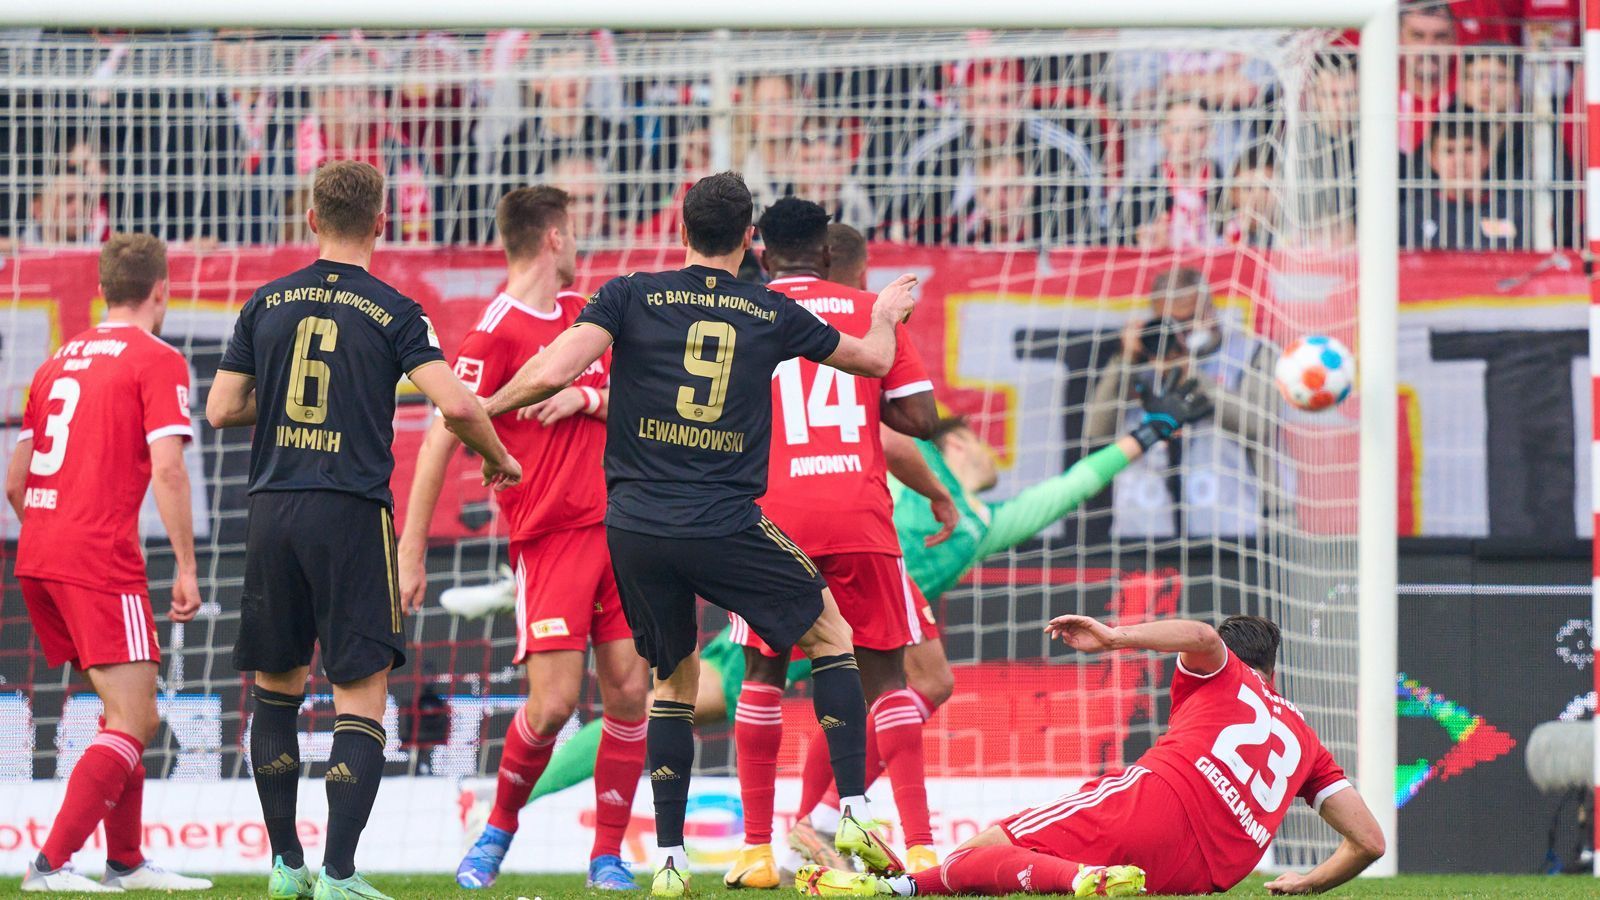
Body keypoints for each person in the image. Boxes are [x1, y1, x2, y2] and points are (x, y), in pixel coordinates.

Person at [478, 171, 917, 897]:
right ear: (750, 240)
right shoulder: (766, 308)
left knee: (671, 682)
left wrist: (486, 406)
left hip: (636, 528)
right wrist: (888, 312)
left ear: (679, 232)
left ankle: (673, 860)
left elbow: (557, 368)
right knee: (832, 633)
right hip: (724, 519)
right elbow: (872, 360)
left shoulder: (628, 293)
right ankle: (859, 815)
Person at [206, 160, 521, 900]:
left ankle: (286, 868)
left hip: (272, 509)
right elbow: (461, 407)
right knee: (360, 695)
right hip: (349, 513)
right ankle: (339, 873)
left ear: (310, 219)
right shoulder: (394, 311)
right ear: (383, 221)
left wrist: (282, 404)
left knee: (275, 691)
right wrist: (500, 459)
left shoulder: (267, 302)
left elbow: (221, 408)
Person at [395, 186, 650, 891]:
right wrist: (410, 547)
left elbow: (641, 396)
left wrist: (588, 397)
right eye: (576, 231)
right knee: (554, 703)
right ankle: (496, 831)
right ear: (553, 239)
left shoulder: (586, 316)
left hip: (621, 530)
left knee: (631, 692)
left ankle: (607, 855)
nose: (582, 245)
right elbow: (442, 438)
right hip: (549, 537)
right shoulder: (493, 333)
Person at [795, 615, 1385, 898]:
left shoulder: (1219, 673)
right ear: (1275, 673)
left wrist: (1116, 638)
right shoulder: (1308, 743)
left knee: (990, 847)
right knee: (999, 867)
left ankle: (900, 888)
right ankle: (902, 879)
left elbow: (1203, 640)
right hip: (1201, 876)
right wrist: (1307, 883)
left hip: (1158, 800)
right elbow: (1369, 843)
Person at [723, 198, 956, 887]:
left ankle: (757, 853)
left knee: (764, 676)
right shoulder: (865, 308)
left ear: (761, 252)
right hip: (856, 512)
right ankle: (920, 849)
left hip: (770, 518)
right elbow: (919, 417)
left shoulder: (741, 308)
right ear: (827, 252)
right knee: (889, 677)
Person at [5, 234, 211, 893]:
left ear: (100, 290)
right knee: (136, 719)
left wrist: (49, 533)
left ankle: (125, 861)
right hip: (99, 556)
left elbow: (16, 476)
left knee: (122, 710)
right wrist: (186, 566)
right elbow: (171, 473)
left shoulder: (57, 361)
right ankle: (49, 865)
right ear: (162, 290)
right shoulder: (156, 359)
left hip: (40, 549)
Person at [1083, 266, 1282, 535]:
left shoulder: (1250, 353)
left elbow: (1258, 425)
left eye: (1189, 321)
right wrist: (1125, 362)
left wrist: (1192, 375)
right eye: (1171, 324)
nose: (1181, 334)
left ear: (1210, 312)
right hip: (1144, 528)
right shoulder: (1140, 360)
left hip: (1227, 526)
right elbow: (1096, 432)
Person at [1401, 118, 1525, 251]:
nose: (1459, 162)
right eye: (1449, 151)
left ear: (1487, 155)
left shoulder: (1515, 213)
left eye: (1469, 150)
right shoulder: (1409, 217)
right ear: (1432, 159)